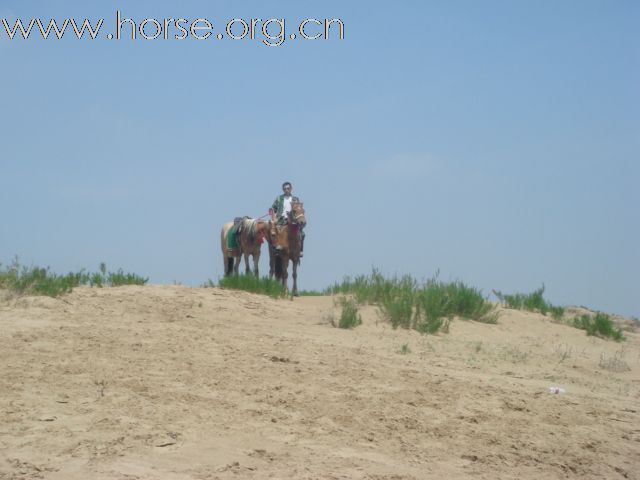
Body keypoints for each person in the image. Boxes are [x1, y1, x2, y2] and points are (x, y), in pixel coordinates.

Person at [270, 181, 305, 254]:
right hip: (281, 220)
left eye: (288, 188)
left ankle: (300, 250)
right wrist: (272, 211)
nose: (286, 190)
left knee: (302, 234)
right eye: (285, 189)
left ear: (291, 189)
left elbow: (299, 210)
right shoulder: (279, 198)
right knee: (273, 232)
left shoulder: (295, 199)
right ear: (283, 189)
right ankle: (276, 248)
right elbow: (273, 208)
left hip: (293, 221)